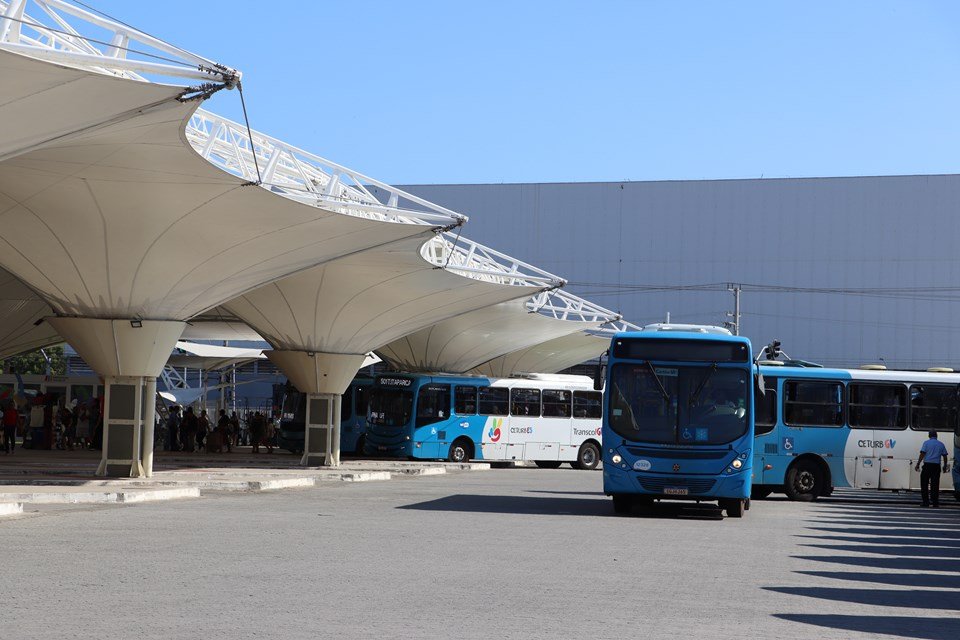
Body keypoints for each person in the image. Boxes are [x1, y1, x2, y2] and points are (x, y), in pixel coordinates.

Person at [915, 430, 949, 507]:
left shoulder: (926, 443)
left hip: (927, 465)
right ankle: (935, 502)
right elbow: (945, 455)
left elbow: (922, 453)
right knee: (935, 484)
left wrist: (918, 464)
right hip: (936, 466)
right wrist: (945, 465)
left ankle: (925, 502)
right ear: (936, 436)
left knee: (924, 484)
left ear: (929, 436)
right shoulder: (941, 444)